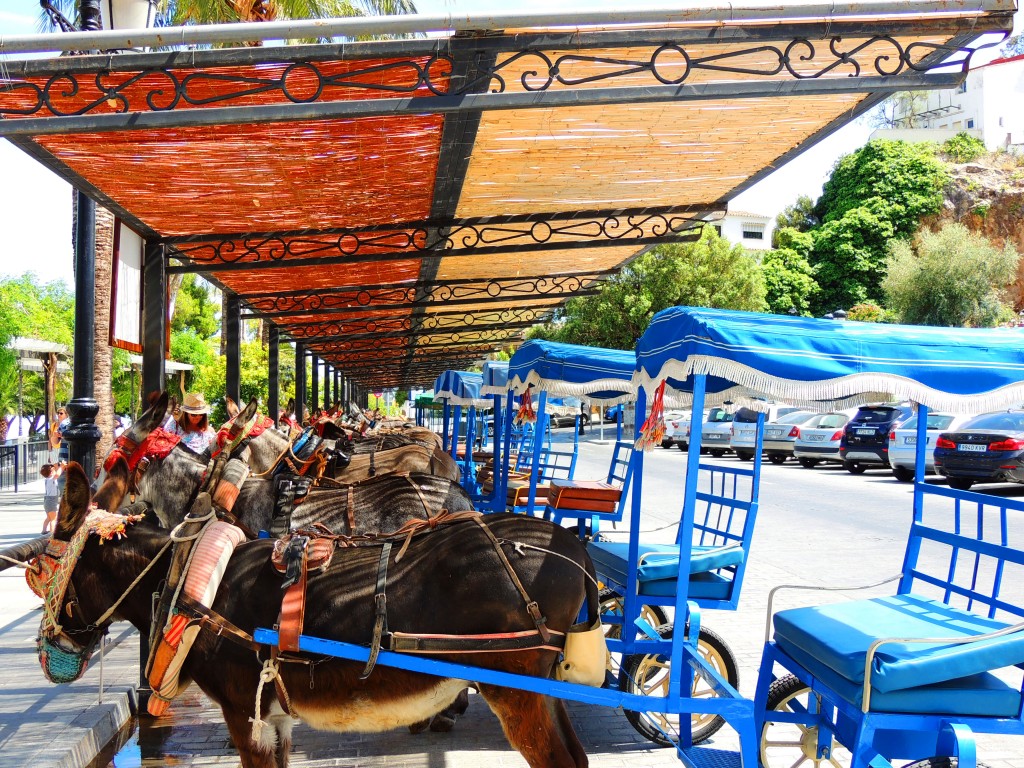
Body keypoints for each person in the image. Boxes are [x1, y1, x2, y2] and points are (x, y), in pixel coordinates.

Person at [40, 462, 62, 534]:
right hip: (51, 501)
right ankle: (52, 533)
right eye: (54, 470)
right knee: (53, 519)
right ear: (51, 472)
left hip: (47, 501)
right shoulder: (51, 479)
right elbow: (57, 474)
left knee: (49, 518)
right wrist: (61, 467)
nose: (55, 470)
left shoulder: (47, 479)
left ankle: (44, 530)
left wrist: (56, 466)